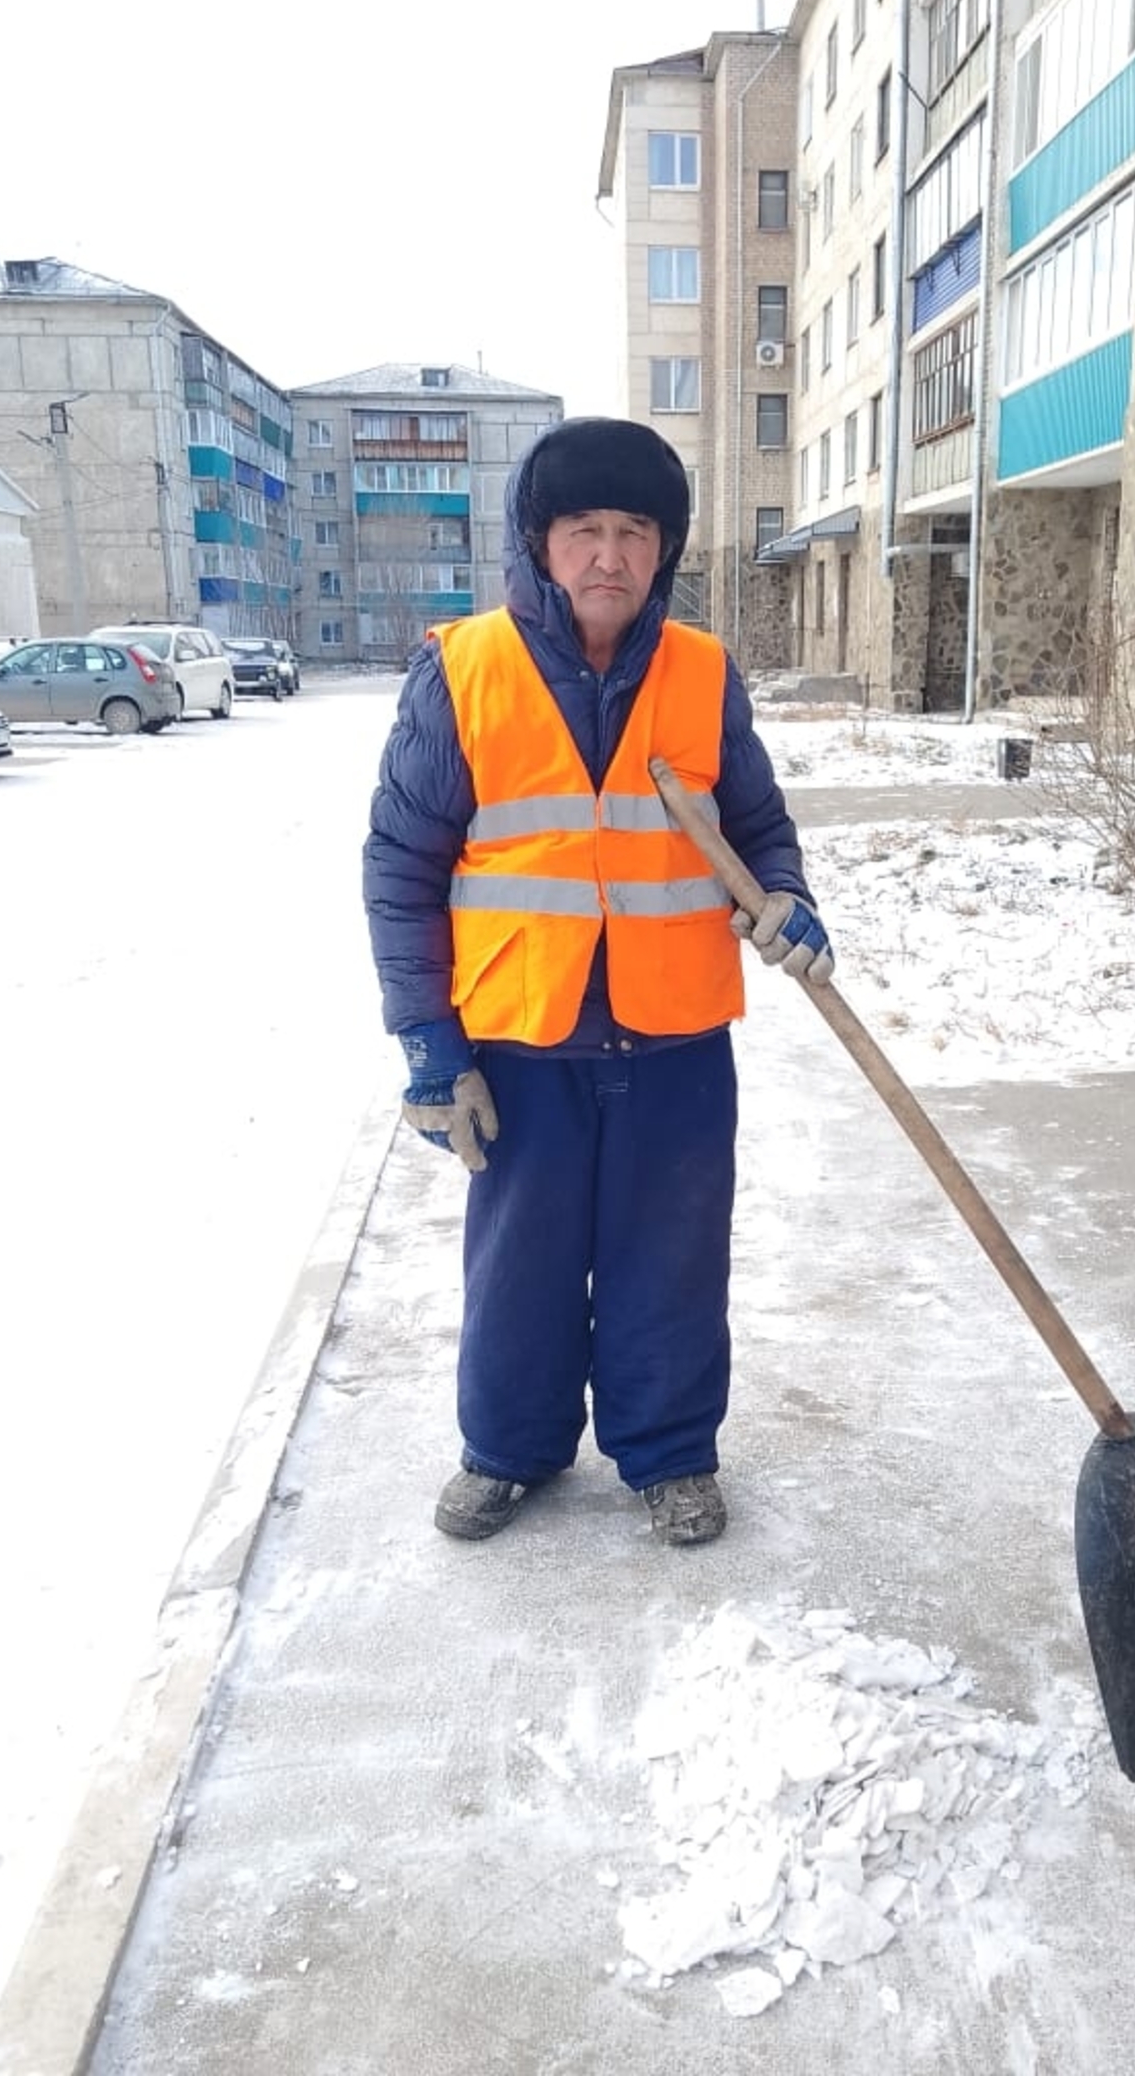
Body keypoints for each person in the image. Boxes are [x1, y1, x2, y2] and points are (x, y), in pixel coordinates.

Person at [362, 417, 833, 1547]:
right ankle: (508, 1449)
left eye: (634, 532)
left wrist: (784, 889)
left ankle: (668, 1453)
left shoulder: (703, 672)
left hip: (672, 1034)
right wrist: (429, 1038)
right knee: (519, 1260)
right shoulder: (463, 669)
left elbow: (755, 822)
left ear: (663, 549)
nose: (609, 557)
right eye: (584, 531)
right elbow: (401, 864)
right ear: (540, 541)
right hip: (524, 1034)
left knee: (669, 1256)